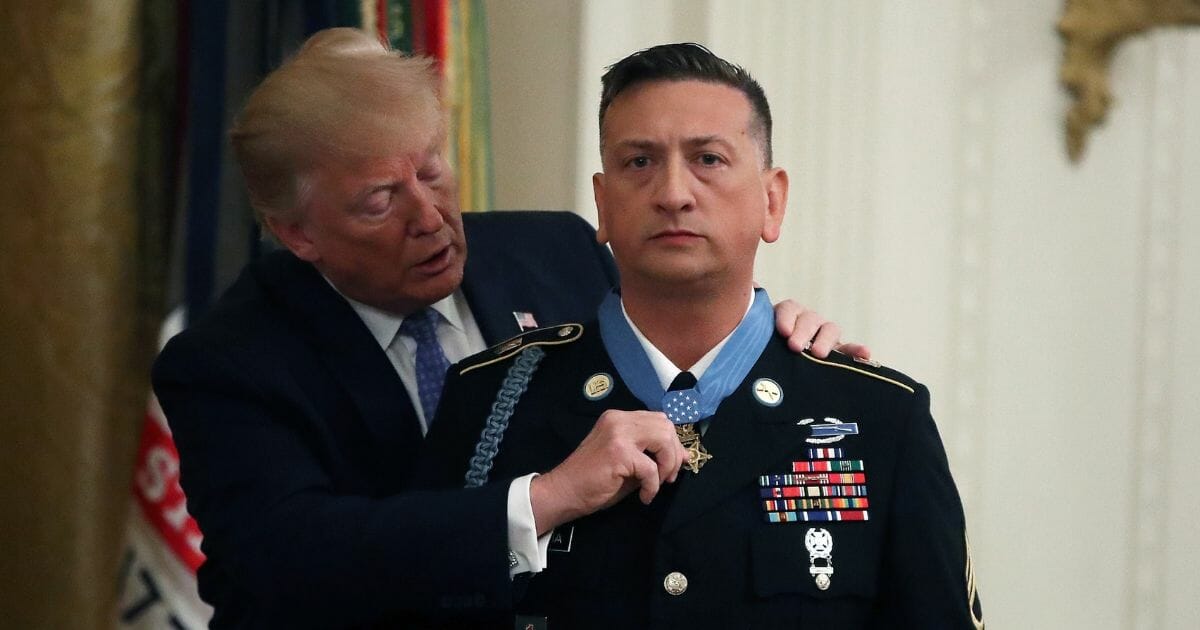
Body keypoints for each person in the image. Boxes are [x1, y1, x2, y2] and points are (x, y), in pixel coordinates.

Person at [151, 29, 861, 628]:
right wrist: (543, 499)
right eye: (378, 201)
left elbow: (674, 373)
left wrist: (770, 341)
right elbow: (288, 560)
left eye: (432, 171)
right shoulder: (229, 361)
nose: (428, 217)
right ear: (296, 232)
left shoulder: (555, 252)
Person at [417, 43, 985, 629]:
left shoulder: (880, 417)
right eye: (639, 162)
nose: (672, 193)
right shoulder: (489, 400)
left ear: (772, 200)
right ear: (603, 204)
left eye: (708, 159)